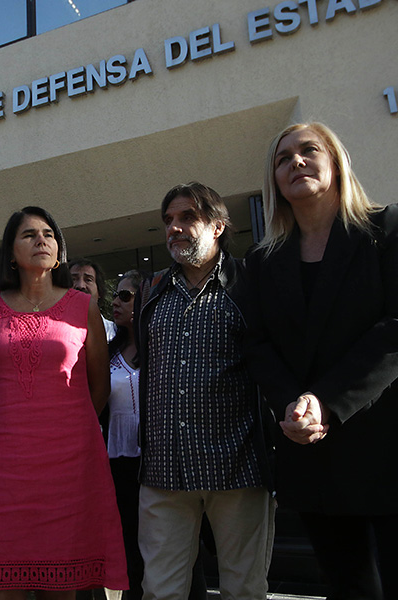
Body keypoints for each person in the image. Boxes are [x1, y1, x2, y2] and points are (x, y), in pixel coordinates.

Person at [245, 122, 398, 600]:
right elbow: (258, 345)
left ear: (335, 162)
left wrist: (325, 401)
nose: (296, 162)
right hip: (318, 458)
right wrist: (292, 405)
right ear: (274, 181)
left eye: (309, 150)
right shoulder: (262, 260)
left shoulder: (391, 226)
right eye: (282, 158)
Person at [0, 206, 127, 598]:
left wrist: (66, 426)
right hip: (2, 469)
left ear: (59, 251)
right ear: (10, 252)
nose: (41, 240)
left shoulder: (83, 306)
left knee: (61, 586)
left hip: (69, 469)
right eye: (29, 234)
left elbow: (99, 387)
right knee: (0, 586)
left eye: (48, 234)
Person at [135, 182, 274, 600]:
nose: (174, 228)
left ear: (217, 226)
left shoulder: (249, 285)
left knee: (244, 590)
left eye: (187, 217)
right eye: (168, 220)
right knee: (159, 591)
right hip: (164, 473)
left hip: (237, 469)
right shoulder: (152, 292)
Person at [105, 269, 147, 600]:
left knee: (175, 550)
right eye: (115, 295)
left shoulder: (160, 347)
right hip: (117, 464)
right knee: (130, 549)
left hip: (156, 460)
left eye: (125, 296)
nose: (116, 302)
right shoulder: (107, 352)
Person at [70, 258, 117, 341]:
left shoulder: (114, 331)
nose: (80, 286)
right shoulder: (52, 328)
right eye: (73, 279)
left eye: (88, 280)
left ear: (99, 291)